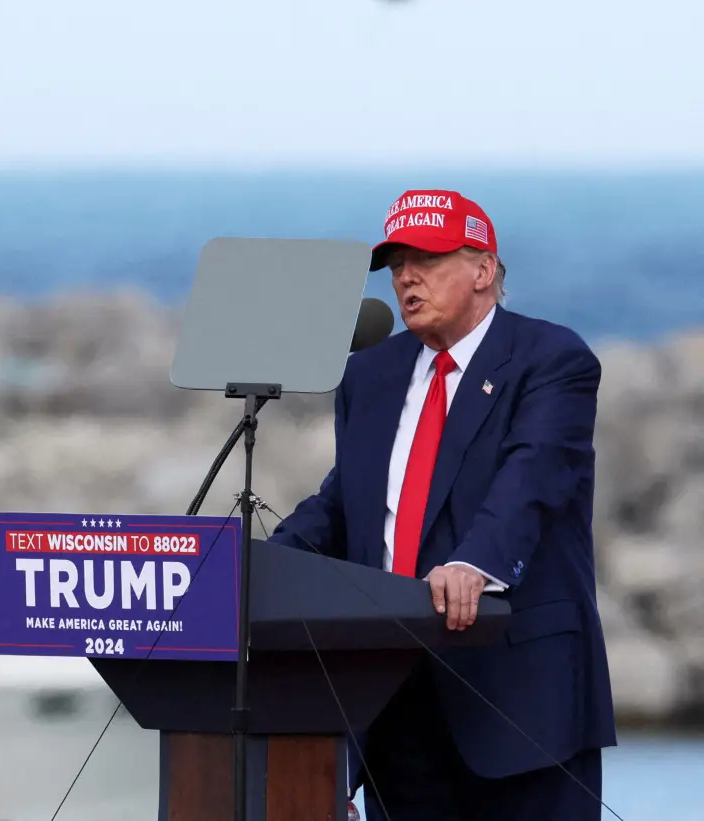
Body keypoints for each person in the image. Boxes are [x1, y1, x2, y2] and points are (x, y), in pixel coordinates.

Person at [269, 189, 617, 820]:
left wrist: (475, 564)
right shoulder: (371, 372)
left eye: (426, 258)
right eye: (397, 262)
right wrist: (255, 565)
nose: (406, 276)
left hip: (519, 700)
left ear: (483, 269)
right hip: (392, 700)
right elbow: (348, 500)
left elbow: (531, 479)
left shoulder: (551, 360)